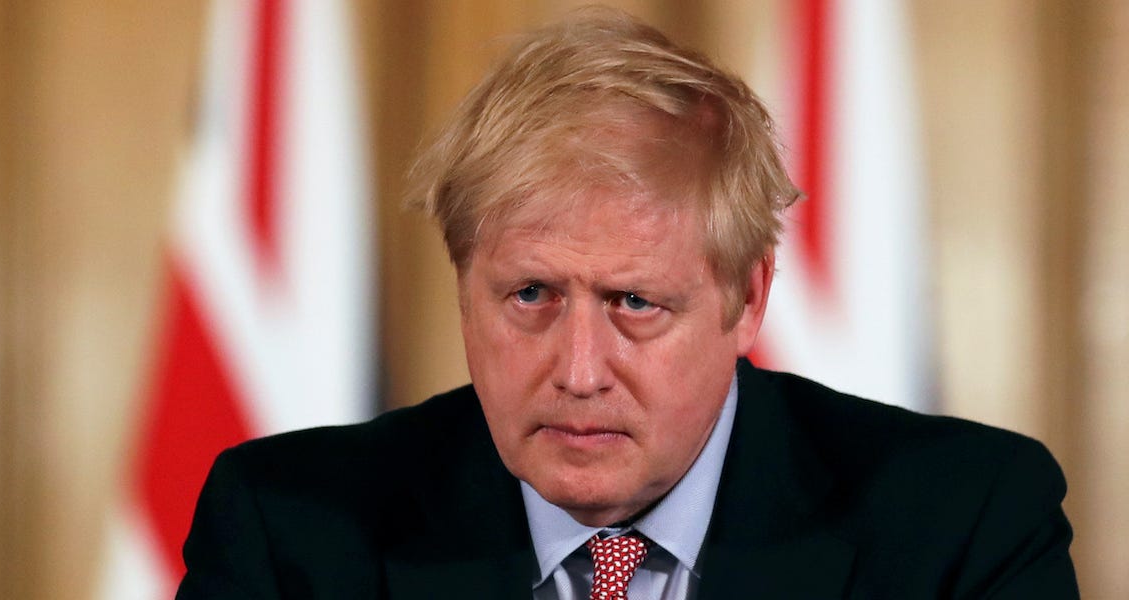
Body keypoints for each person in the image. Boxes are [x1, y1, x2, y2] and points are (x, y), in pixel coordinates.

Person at [177, 8, 1078, 599]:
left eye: (636, 303)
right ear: (463, 289)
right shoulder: (288, 533)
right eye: (529, 294)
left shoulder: (961, 528)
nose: (577, 372)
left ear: (749, 297)